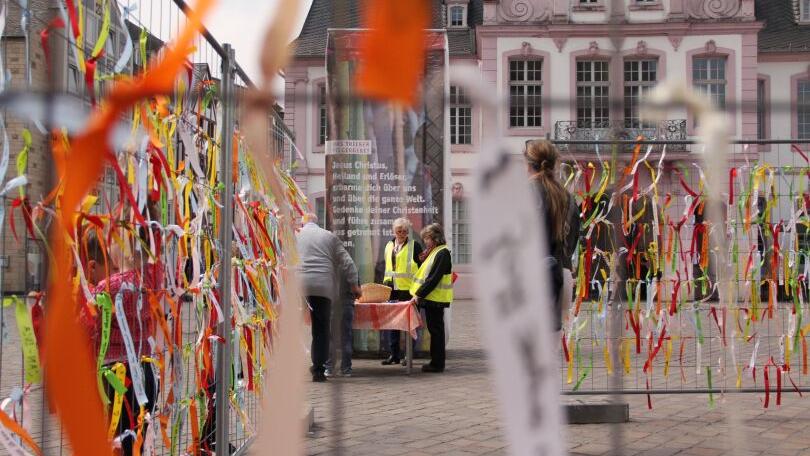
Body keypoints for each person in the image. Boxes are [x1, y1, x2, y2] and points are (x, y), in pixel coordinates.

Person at [296, 213, 361, 382]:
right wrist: (355, 285)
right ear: (318, 223)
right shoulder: (328, 236)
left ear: (303, 223)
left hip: (297, 285)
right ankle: (318, 370)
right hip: (322, 286)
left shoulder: (295, 236)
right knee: (321, 329)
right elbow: (348, 262)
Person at [524, 139, 581, 331]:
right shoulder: (567, 197)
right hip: (559, 279)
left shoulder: (526, 192)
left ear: (528, 163)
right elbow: (572, 241)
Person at [407, 223, 453, 373]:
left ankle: (437, 364)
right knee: (435, 330)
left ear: (435, 238)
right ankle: (436, 362)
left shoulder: (442, 253)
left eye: (427, 238)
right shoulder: (435, 252)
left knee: (436, 331)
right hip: (432, 299)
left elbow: (433, 279)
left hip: (436, 299)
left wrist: (419, 294)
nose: (425, 241)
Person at [381, 218, 423, 366]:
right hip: (391, 290)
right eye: (399, 231)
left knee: (409, 324)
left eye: (405, 231)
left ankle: (408, 355)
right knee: (393, 323)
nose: (402, 233)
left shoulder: (415, 246)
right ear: (394, 231)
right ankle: (394, 354)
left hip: (408, 291)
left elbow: (422, 269)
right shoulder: (388, 245)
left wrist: (418, 291)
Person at [325, 283, 356, 377]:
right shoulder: (351, 268)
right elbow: (356, 289)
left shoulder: (329, 267)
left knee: (331, 337)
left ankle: (329, 368)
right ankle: (346, 369)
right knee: (346, 337)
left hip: (332, 302)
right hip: (347, 302)